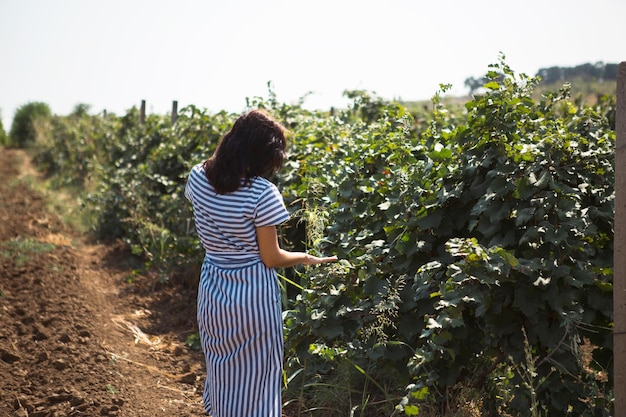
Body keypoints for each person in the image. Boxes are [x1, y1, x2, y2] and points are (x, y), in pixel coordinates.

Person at [185, 109, 337, 417]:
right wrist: (306, 257)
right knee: (258, 380)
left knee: (222, 370)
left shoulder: (198, 177)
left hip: (213, 289)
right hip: (252, 295)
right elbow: (271, 256)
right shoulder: (262, 194)